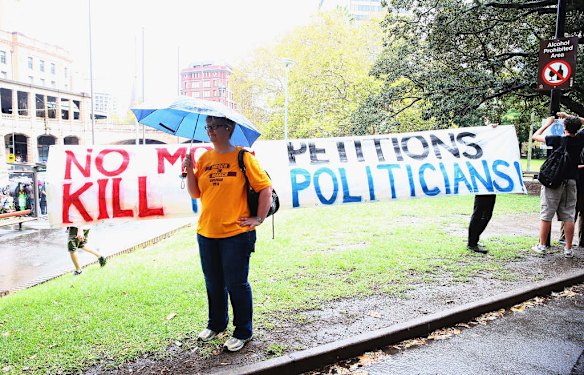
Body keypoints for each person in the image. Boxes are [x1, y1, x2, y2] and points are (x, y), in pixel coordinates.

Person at [182, 115, 273, 352]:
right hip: (207, 232)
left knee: (236, 283)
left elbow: (265, 188)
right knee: (213, 282)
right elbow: (195, 194)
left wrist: (259, 219)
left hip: (236, 233)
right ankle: (216, 324)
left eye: (215, 127)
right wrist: (190, 171)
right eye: (208, 127)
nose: (210, 131)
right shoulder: (204, 158)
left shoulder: (243, 157)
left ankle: (243, 331)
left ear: (228, 128)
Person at [532, 113, 584, 258]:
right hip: (571, 181)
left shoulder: (557, 139)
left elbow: (535, 136)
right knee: (568, 215)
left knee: (546, 213)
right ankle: (568, 249)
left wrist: (547, 123)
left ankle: (542, 245)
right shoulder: (580, 139)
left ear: (564, 127)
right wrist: (570, 117)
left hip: (554, 181)